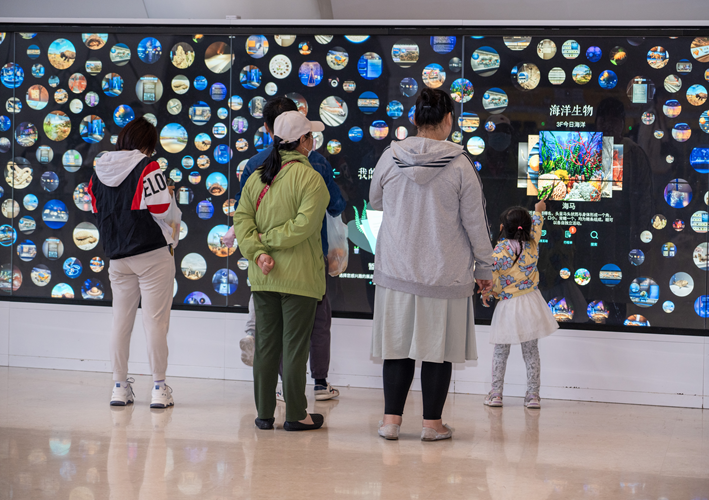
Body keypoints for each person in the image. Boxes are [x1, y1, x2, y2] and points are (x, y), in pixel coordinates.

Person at [370, 87, 494, 441]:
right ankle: (431, 425)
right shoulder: (460, 165)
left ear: (415, 118)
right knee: (438, 352)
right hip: (445, 274)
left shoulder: (389, 157)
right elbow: (476, 222)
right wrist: (485, 269)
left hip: (396, 270)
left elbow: (375, 201)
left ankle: (391, 422)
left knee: (397, 347)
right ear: (448, 119)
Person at [224, 97, 346, 401]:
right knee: (314, 326)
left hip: (264, 263)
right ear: (302, 136)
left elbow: (243, 215)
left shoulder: (254, 165)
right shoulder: (316, 166)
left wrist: (259, 245)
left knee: (271, 332)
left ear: (268, 129)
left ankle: (273, 397)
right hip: (307, 261)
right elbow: (336, 206)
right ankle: (317, 385)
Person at [87, 117, 182, 408]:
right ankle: (159, 388)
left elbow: (96, 206)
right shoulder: (147, 166)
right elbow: (161, 208)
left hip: (118, 257)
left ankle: (119, 387)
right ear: (147, 144)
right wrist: (169, 194)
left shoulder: (100, 168)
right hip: (152, 253)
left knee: (120, 321)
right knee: (155, 322)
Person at [481, 199, 559, 409]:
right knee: (531, 351)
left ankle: (496, 394)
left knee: (501, 351)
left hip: (508, 305)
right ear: (526, 227)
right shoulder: (532, 244)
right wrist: (538, 210)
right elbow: (537, 225)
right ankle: (533, 396)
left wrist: (487, 293)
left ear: (503, 228)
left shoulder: (498, 251)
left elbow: (492, 278)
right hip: (531, 303)